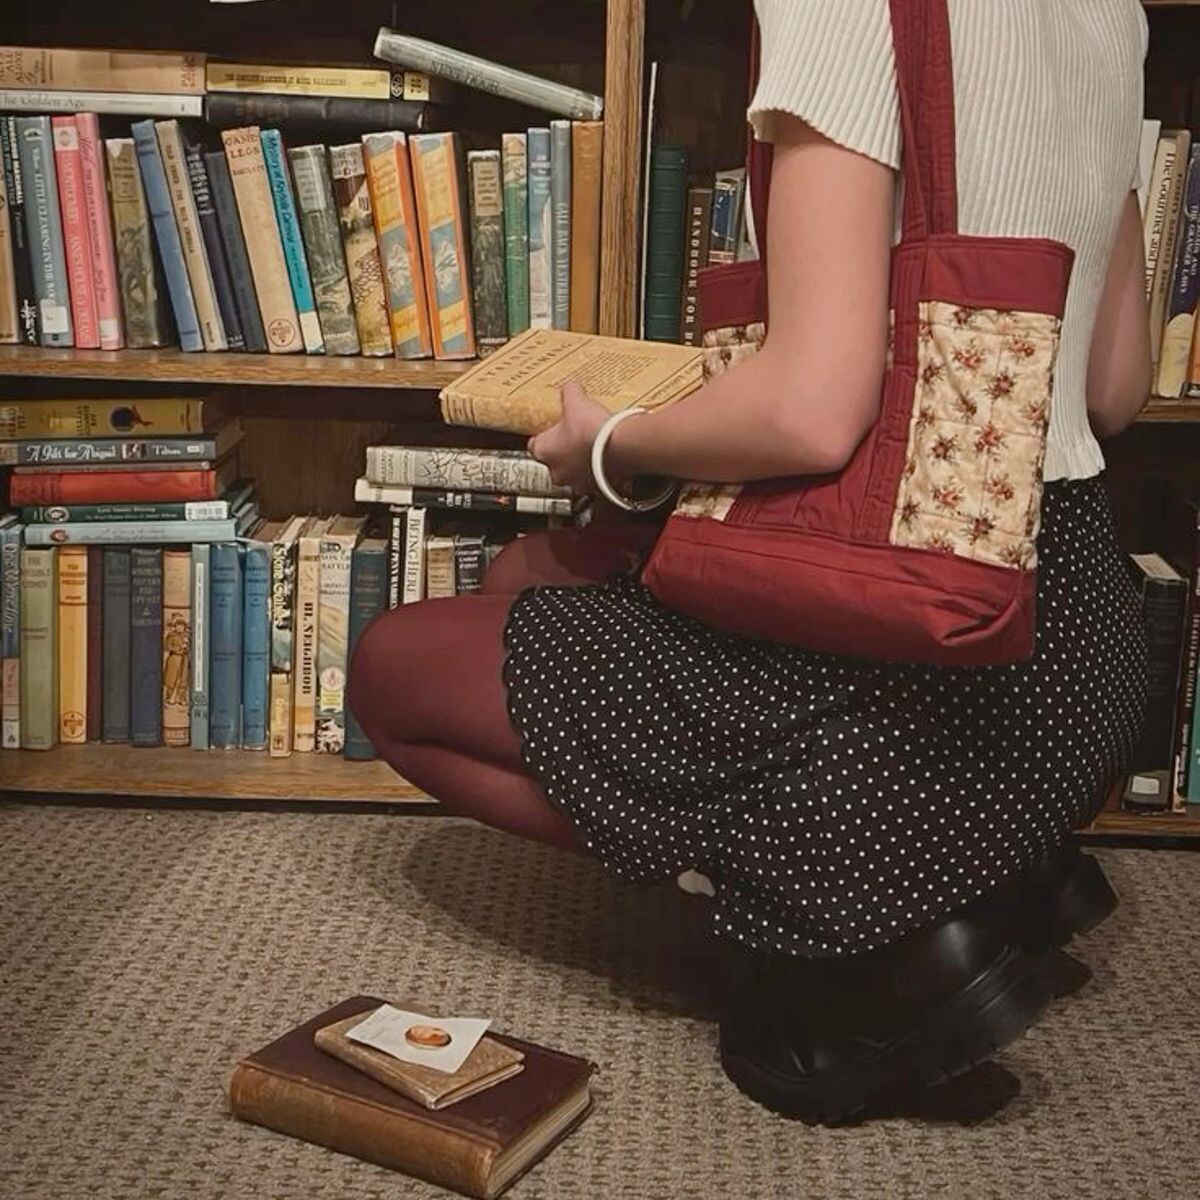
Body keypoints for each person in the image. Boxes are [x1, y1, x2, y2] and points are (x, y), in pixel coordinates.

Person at [348, 0, 1150, 1122]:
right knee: (523, 575)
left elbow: (812, 413)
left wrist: (610, 443)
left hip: (914, 656)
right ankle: (988, 867)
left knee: (392, 669)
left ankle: (867, 927)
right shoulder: (1113, 12)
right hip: (1074, 649)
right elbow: (1114, 385)